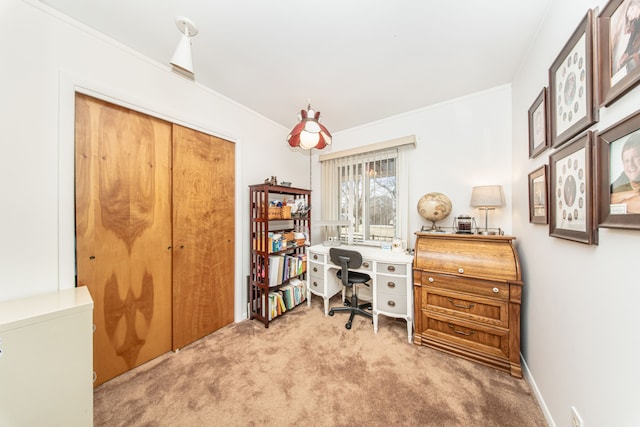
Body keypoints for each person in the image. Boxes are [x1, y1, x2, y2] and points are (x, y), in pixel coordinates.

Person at [611, 133, 640, 213]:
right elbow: (603, 201)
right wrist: (634, 193)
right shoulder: (619, 184)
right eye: (626, 161)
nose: (630, 164)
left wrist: (619, 204)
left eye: (636, 157)